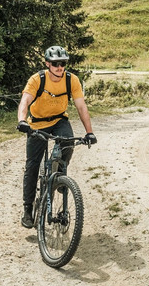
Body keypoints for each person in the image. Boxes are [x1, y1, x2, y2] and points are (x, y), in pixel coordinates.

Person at [16, 45, 96, 228]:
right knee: (32, 166)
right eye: (55, 63)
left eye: (63, 63)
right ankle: (28, 209)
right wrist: (22, 121)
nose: (60, 67)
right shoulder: (37, 79)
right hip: (37, 123)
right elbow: (25, 101)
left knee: (68, 144)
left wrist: (89, 132)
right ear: (47, 63)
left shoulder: (71, 80)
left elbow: (81, 107)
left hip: (59, 121)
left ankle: (58, 176)